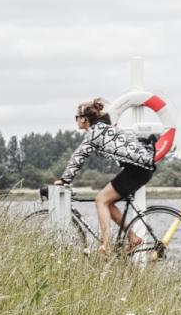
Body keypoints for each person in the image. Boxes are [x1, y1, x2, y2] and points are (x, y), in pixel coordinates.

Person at [53, 98, 156, 252]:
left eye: (76, 118)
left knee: (100, 200)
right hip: (140, 169)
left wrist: (64, 179)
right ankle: (133, 238)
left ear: (84, 119)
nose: (76, 121)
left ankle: (106, 245)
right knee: (108, 203)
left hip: (137, 170)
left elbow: (79, 156)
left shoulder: (95, 132)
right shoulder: (103, 128)